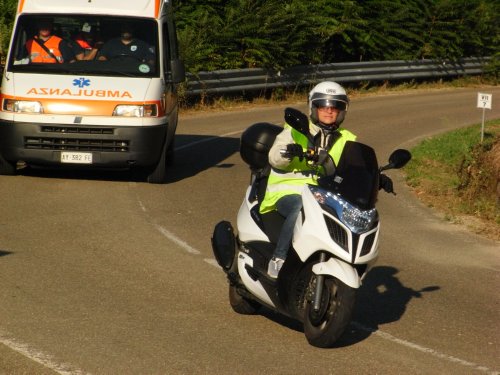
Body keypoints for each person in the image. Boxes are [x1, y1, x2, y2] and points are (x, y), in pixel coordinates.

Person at [259, 81, 357, 278]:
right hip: (288, 194)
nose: (329, 112)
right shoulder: (295, 130)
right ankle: (279, 259)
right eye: (324, 106)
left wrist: (376, 175)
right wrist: (289, 152)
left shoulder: (348, 138)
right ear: (314, 107)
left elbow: (356, 166)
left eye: (335, 107)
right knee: (302, 207)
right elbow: (274, 157)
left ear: (342, 111)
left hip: (325, 198)